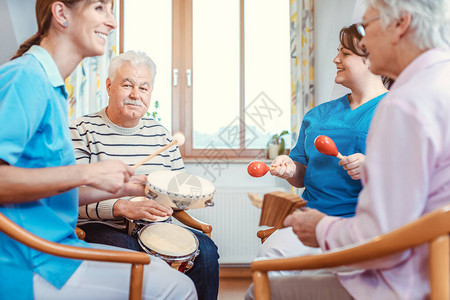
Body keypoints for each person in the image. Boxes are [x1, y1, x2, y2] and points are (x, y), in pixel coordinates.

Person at [247, 0, 450, 299]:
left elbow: (381, 241)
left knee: (259, 290)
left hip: (401, 282)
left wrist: (320, 229)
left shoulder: (404, 103)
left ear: (401, 24)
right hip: (425, 269)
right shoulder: (436, 84)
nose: (365, 40)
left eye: (366, 26)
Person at [0, 1, 196, 300]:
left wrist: (123, 187)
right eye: (99, 8)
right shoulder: (27, 77)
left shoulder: (49, 84)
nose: (113, 22)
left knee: (171, 278)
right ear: (61, 13)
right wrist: (86, 172)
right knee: (176, 287)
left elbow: (48, 190)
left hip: (57, 251)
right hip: (31, 263)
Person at [70, 50, 220, 300]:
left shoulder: (161, 135)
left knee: (206, 251)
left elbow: (177, 189)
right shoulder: (81, 130)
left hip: (156, 226)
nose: (135, 94)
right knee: (136, 257)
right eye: (127, 85)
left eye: (144, 87)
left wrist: (195, 196)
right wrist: (121, 207)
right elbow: (69, 197)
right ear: (109, 86)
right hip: (102, 226)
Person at [256, 24, 390, 264]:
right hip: (310, 219)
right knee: (268, 260)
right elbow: (301, 174)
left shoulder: (395, 110)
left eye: (345, 54)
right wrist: (290, 169)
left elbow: (413, 176)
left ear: (372, 59)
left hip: (363, 226)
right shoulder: (316, 115)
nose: (335, 59)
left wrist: (373, 167)